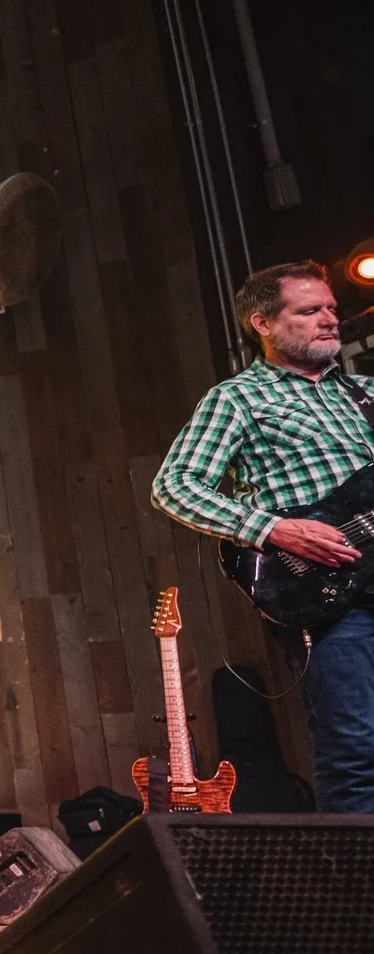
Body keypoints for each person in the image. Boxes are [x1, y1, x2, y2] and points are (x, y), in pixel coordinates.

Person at [153, 261, 374, 813]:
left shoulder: (365, 392)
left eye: (331, 308)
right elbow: (174, 485)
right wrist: (274, 528)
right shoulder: (239, 398)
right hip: (330, 597)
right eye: (310, 310)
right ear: (264, 323)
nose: (330, 318)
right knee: (357, 750)